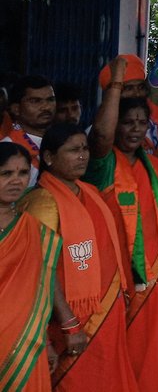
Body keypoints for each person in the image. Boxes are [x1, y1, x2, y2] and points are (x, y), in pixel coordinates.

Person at [84, 84, 158, 392]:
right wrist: (116, 81)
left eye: (141, 122)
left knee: (155, 348)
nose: (134, 129)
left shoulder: (154, 165)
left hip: (155, 274)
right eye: (127, 122)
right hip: (115, 275)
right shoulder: (103, 164)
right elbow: (100, 138)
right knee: (120, 348)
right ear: (115, 124)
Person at [20, 123, 140, 392]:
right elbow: (42, 269)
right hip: (70, 322)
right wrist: (69, 323)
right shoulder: (42, 202)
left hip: (107, 312)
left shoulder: (91, 193)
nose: (83, 156)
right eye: (73, 150)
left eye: (84, 149)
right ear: (49, 157)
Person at [0, 142, 83, 392]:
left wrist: (46, 339)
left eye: (23, 173)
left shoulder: (36, 232)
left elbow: (42, 284)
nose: (16, 181)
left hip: (27, 339)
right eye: (6, 174)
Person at [2, 74, 56, 184]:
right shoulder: (6, 148)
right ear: (16, 109)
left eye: (50, 100)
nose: (46, 107)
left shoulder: (61, 142)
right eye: (35, 101)